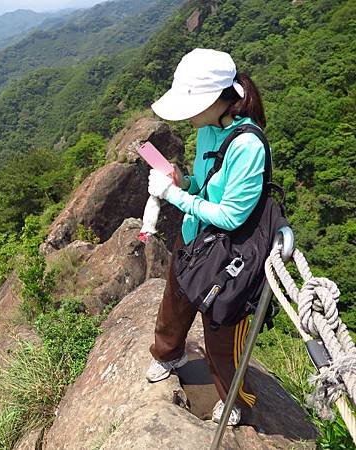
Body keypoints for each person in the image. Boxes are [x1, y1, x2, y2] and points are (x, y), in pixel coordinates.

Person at [140, 48, 269, 426]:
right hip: (195, 239)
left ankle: (234, 401)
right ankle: (167, 356)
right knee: (174, 303)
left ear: (217, 100)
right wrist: (186, 183)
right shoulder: (210, 128)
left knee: (221, 334)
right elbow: (209, 188)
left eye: (191, 105)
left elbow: (231, 214)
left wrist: (175, 196)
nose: (187, 115)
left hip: (227, 256)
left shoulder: (248, 145)